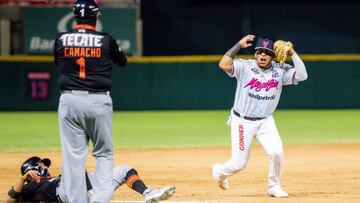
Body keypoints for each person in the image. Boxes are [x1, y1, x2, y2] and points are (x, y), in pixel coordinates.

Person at [212, 35, 308, 198]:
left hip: (265, 121)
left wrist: (293, 53)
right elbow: (223, 64)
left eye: (267, 53)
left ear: (273, 56)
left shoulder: (279, 70)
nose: (262, 55)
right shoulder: (244, 66)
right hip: (242, 121)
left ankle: (274, 187)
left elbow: (302, 76)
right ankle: (220, 173)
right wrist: (238, 45)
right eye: (259, 52)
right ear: (255, 54)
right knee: (238, 164)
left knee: (277, 152)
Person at [53, 0, 127, 202]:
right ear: (95, 16)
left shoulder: (61, 39)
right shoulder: (106, 39)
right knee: (103, 153)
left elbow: (59, 62)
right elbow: (122, 61)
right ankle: (99, 200)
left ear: (75, 16)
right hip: (98, 100)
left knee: (73, 157)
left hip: (69, 100)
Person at [3, 156, 176, 203]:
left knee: (125, 170)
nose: (46, 167)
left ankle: (147, 192)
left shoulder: (50, 178)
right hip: (67, 191)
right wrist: (22, 178)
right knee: (70, 161)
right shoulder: (31, 186)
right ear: (32, 170)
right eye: (41, 165)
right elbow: (7, 201)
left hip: (90, 186)